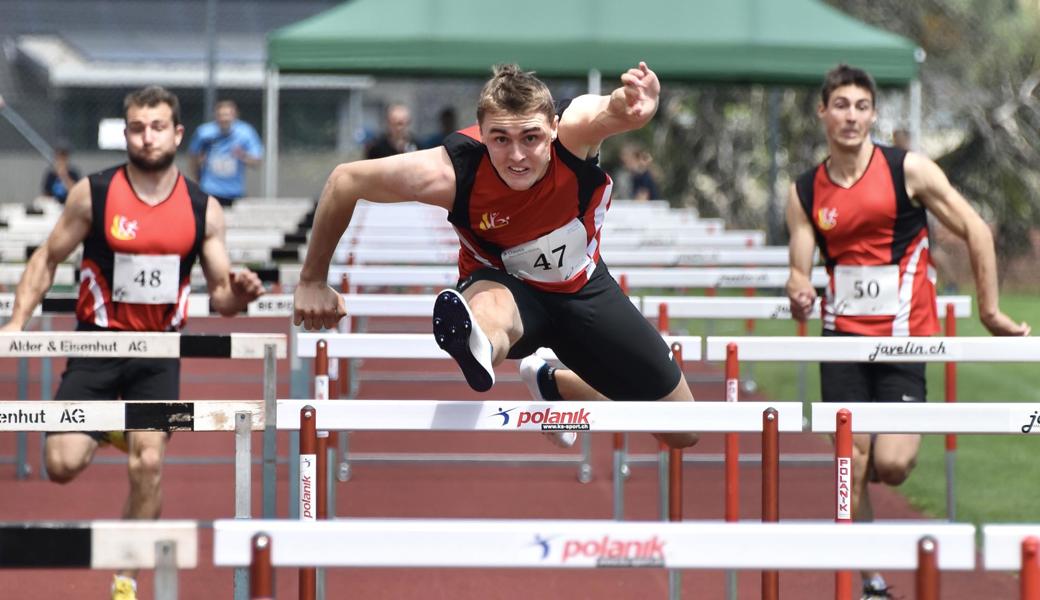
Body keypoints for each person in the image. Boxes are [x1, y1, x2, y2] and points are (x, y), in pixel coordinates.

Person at [293, 62, 698, 451]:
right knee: (493, 312)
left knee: (684, 430)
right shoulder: (452, 173)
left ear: (554, 129)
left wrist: (627, 110)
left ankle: (555, 381)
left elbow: (603, 110)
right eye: (500, 139)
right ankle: (477, 340)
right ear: (482, 135)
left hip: (584, 290)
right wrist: (312, 280)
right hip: (506, 287)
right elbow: (346, 180)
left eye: (531, 138)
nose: (517, 156)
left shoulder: (573, 135)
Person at [0, 85, 265, 600]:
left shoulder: (202, 208)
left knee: (149, 462)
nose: (148, 137)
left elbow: (223, 298)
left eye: (158, 126)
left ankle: (127, 578)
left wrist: (241, 292)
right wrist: (17, 324)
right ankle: (118, 430)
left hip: (160, 354)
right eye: (138, 128)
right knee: (61, 466)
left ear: (178, 133)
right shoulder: (92, 193)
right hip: (96, 348)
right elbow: (45, 258)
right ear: (126, 133)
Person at [785, 64, 1029, 600]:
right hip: (842, 338)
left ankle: (870, 508)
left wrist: (989, 312)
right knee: (853, 459)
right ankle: (869, 579)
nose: (852, 116)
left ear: (873, 114)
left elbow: (976, 230)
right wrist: (799, 289)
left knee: (891, 464)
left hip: (905, 338)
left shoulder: (908, 170)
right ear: (823, 112)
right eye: (842, 105)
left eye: (862, 106)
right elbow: (800, 268)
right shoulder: (806, 191)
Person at [188, 99, 263, 206]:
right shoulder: (204, 133)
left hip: (234, 191)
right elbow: (193, 156)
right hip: (210, 189)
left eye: (227, 115)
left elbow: (256, 161)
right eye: (221, 115)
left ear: (235, 116)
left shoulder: (245, 133)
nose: (224, 119)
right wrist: (197, 178)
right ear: (216, 116)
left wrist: (242, 155)